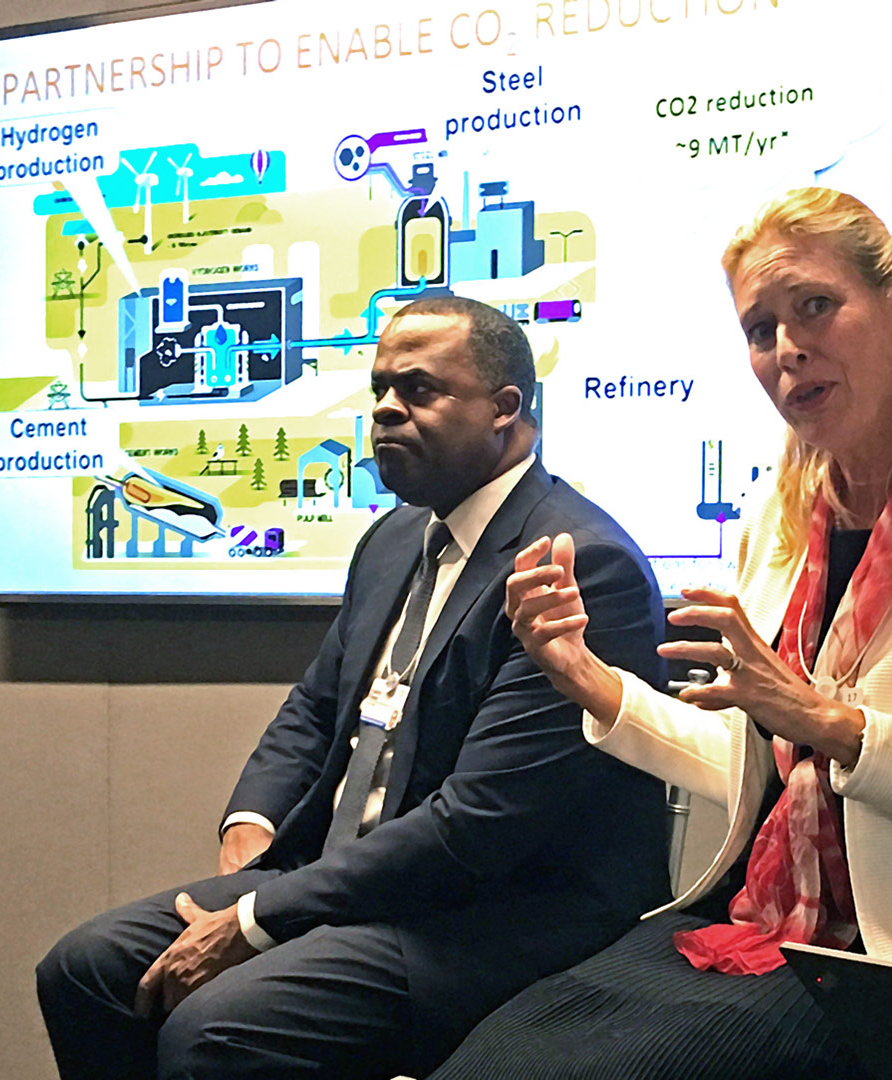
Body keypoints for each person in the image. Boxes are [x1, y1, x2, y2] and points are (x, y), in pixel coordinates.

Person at [428, 187, 892, 1079]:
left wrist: (827, 723)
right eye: (761, 329)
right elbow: (752, 765)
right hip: (762, 920)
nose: (788, 348)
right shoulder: (781, 521)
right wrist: (586, 678)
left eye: (816, 307)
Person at [35, 296, 671, 1080]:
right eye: (378, 390)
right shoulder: (394, 537)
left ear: (505, 408)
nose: (383, 411)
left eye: (418, 390)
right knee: (85, 970)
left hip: (491, 915)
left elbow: (474, 827)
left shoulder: (578, 566)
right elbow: (314, 707)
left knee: (217, 1029)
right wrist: (253, 821)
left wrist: (259, 917)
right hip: (350, 884)